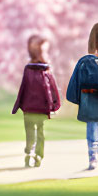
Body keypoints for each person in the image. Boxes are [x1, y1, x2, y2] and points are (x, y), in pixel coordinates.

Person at [63, 23, 98, 171]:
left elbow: (75, 82)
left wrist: (77, 99)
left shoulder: (84, 62)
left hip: (87, 98)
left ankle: (93, 152)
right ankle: (95, 152)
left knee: (92, 125)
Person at [11, 34, 61, 168]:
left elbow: (23, 89)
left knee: (30, 132)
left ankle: (30, 153)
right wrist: (55, 105)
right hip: (40, 108)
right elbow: (52, 89)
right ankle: (37, 155)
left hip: (29, 108)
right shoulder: (45, 71)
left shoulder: (28, 69)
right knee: (39, 132)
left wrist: (18, 106)